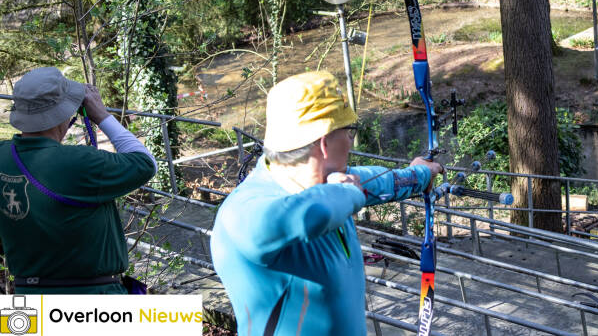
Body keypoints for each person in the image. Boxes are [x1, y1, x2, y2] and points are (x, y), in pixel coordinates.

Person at [211, 71, 444, 336]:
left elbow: (377, 182)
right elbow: (310, 213)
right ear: (324, 143)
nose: (351, 141)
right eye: (349, 132)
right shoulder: (242, 212)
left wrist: (421, 174)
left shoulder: (329, 186)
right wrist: (348, 193)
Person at [0, 67, 157, 294]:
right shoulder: (79, 162)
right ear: (64, 113)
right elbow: (145, 163)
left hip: (26, 301)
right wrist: (101, 115)